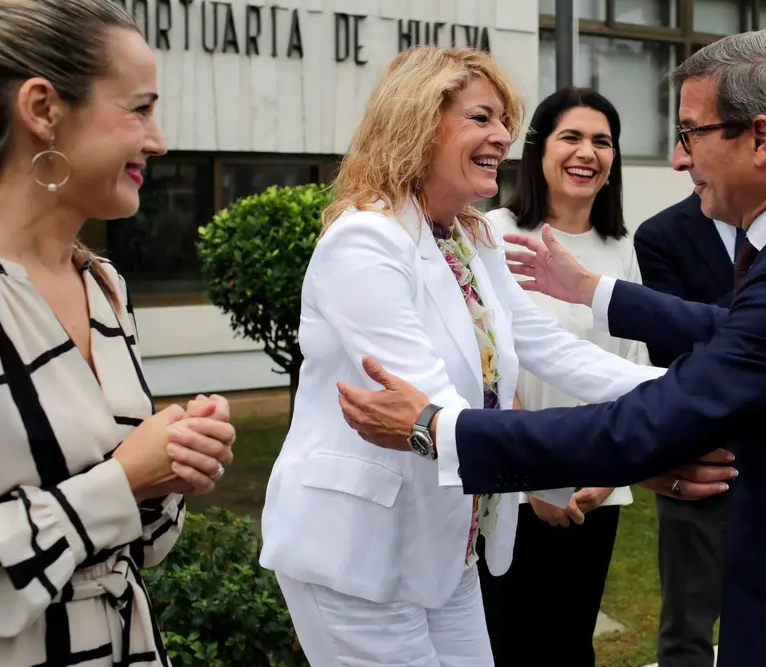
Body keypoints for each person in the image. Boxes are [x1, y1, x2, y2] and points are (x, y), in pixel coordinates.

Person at [337, 29, 766, 667]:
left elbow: (702, 378)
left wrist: (440, 430)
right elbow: (733, 337)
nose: (679, 160)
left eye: (689, 133)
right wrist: (599, 297)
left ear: (761, 138)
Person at [257, 46, 730, 667]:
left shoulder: (469, 236)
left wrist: (681, 397)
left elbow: (551, 348)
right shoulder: (366, 241)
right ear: (418, 121)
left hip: (448, 547)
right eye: (482, 118)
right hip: (357, 555)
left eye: (504, 121)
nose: (503, 136)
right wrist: (639, 448)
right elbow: (438, 410)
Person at [0, 0, 236, 666]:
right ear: (43, 109)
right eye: (140, 110)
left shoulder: (102, 284)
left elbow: (137, 550)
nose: (159, 142)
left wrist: (171, 470)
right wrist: (125, 480)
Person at [481, 87, 648, 666]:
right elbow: (491, 367)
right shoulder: (490, 233)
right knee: (508, 644)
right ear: (539, 151)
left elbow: (628, 365)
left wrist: (610, 469)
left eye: (602, 141)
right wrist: (535, 479)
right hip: (512, 488)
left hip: (596, 488)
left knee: (571, 646)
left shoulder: (620, 248)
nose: (587, 152)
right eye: (571, 137)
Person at [633, 193, 741, 667]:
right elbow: (668, 347)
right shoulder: (660, 235)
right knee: (689, 624)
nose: (681, 157)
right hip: (701, 458)